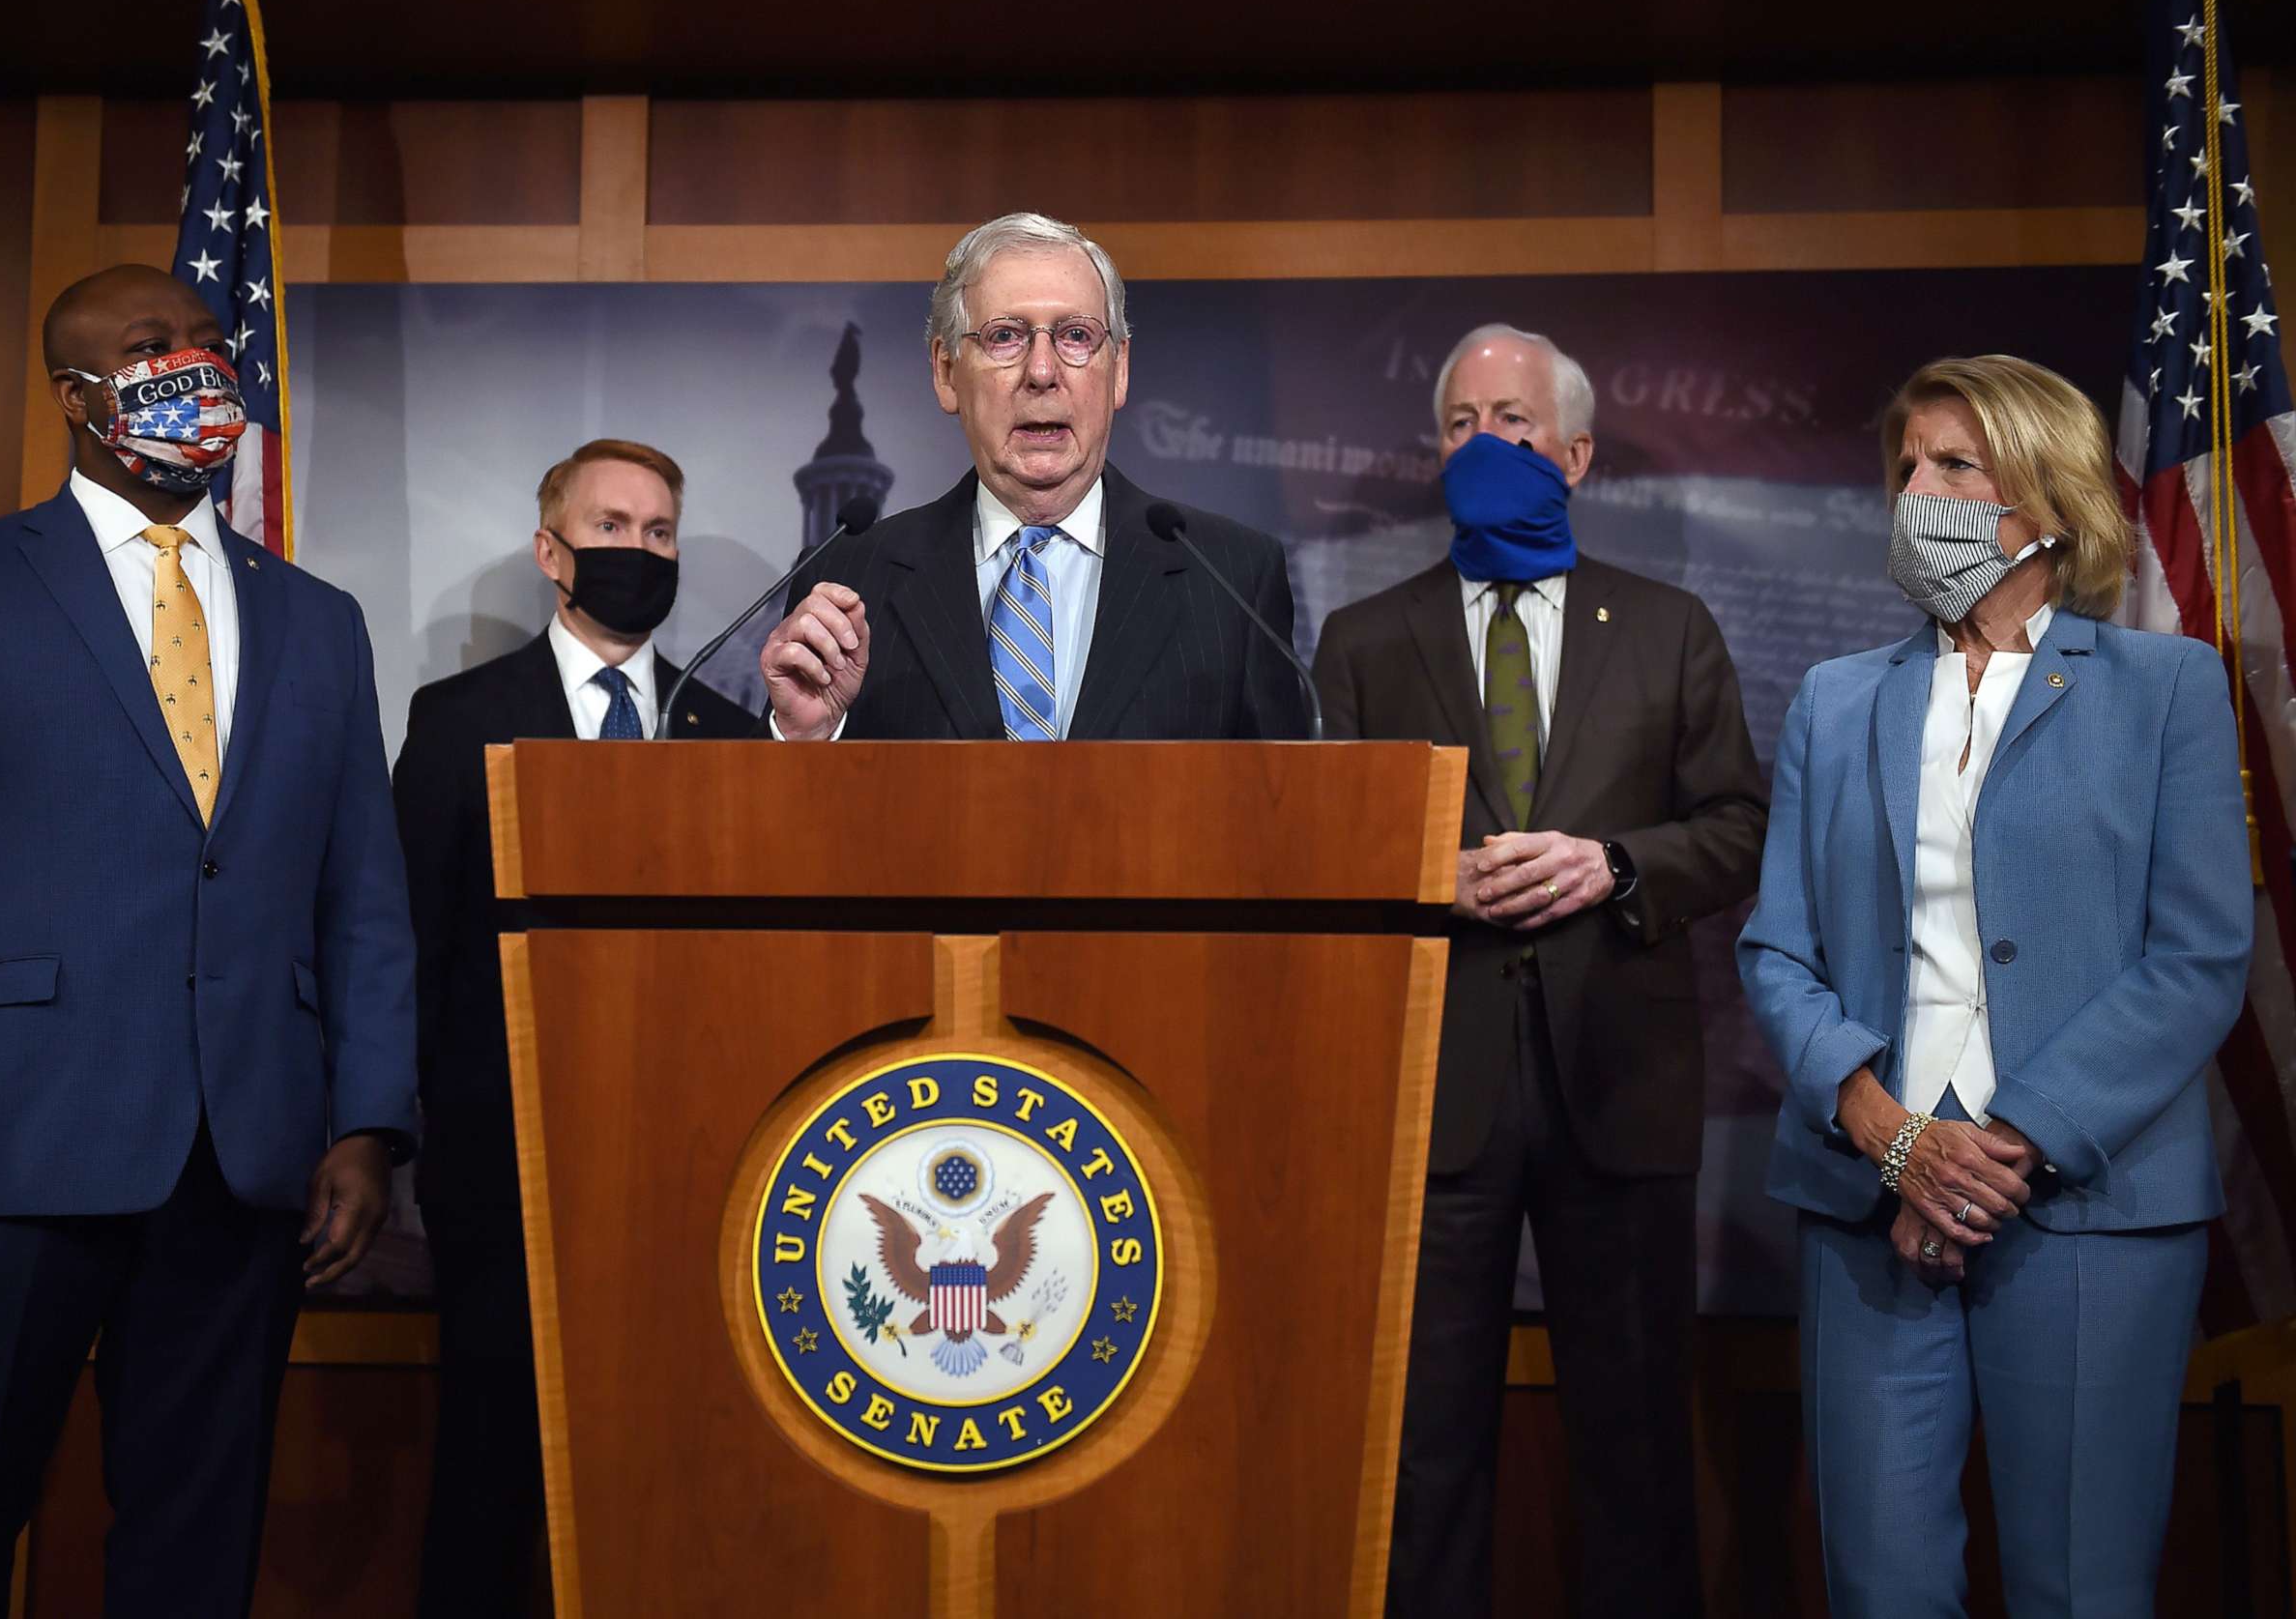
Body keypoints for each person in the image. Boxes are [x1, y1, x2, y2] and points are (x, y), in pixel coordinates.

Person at [0, 264, 416, 1617]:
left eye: (210, 343)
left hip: (245, 1165)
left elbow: (362, 895)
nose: (197, 367)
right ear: (80, 396)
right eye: (155, 347)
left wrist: (369, 1123)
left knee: (197, 1555)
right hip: (0, 1163)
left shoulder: (320, 620)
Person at [1738, 354, 2252, 1617]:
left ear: (2052, 496)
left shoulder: (2166, 690)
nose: (1919, 490)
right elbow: (1777, 950)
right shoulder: (1835, 697)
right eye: (1907, 466)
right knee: (1879, 1586)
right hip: (1869, 1210)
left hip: (2092, 1215)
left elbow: (2199, 955)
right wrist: (1890, 1134)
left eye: (1955, 465)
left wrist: (1991, 1152)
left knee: (2083, 1586)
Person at [1312, 323, 1766, 1619]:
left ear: (1574, 452)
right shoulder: (1363, 635)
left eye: (1511, 421)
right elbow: (1325, 853)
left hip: (1617, 1094)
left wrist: (1614, 864)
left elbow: (1736, 824)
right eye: (1460, 422)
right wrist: (1421, 874)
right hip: (1431, 1104)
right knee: (1423, 1450)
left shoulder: (1670, 628)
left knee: (1633, 1450)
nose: (1484, 444)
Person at [392, 438, 754, 1614]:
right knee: (489, 1470)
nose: (635, 552)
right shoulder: (456, 720)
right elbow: (411, 941)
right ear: (552, 551)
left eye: (658, 534)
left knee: (664, 1473)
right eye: (610, 528)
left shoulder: (730, 737)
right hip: (501, 1167)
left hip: (689, 1179)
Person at [757, 211, 1304, 740]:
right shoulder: (847, 579)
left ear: (1120, 371)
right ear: (947, 373)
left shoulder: (1234, 581)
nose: (1042, 373)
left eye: (1075, 336)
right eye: (1004, 337)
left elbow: (1285, 811)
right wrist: (807, 739)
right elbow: (773, 822)